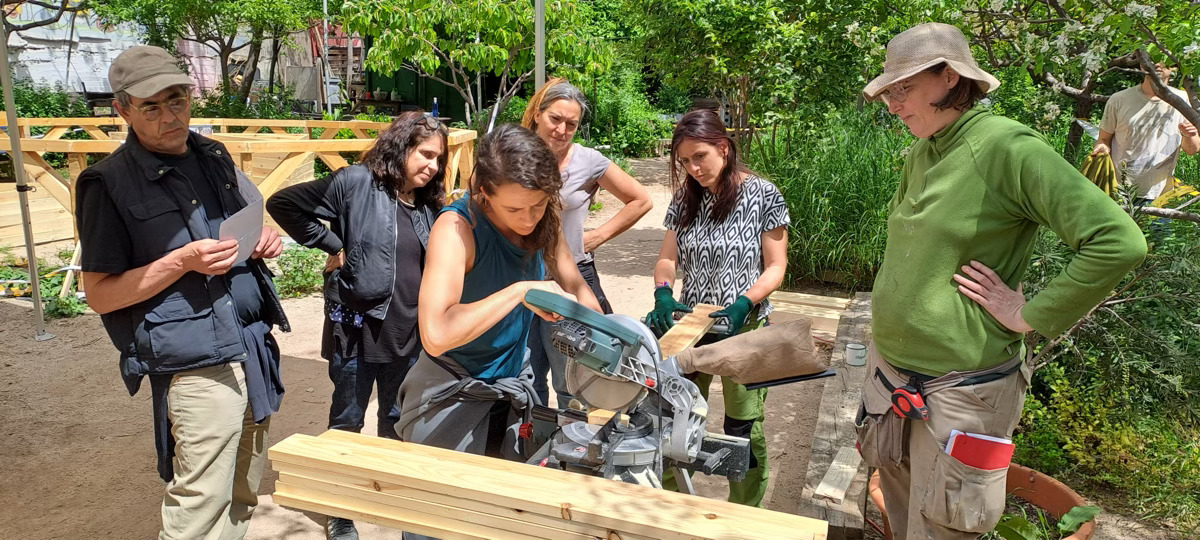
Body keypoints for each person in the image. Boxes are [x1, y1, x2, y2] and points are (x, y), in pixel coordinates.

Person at [858, 23, 1147, 540]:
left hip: (960, 392)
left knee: (943, 528)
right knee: (899, 521)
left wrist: (1029, 313)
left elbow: (1118, 240)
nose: (893, 105)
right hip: (893, 379)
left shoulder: (1008, 147)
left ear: (949, 77)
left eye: (902, 89)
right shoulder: (924, 150)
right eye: (888, 93)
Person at [75, 45, 290, 540]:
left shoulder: (213, 156)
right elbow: (100, 295)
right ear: (122, 109)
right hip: (196, 365)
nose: (170, 116)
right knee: (199, 503)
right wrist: (179, 262)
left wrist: (264, 237)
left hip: (252, 345)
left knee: (241, 493)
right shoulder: (106, 184)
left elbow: (249, 220)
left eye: (178, 100)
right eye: (151, 106)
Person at [396, 123, 602, 540]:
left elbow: (578, 285)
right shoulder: (456, 230)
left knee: (505, 520)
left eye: (539, 206)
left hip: (512, 388)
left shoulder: (544, 221)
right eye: (513, 210)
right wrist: (521, 291)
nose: (528, 220)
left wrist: (599, 327)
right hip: (449, 393)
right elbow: (436, 332)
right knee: (438, 525)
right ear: (484, 193)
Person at [266, 112, 447, 540]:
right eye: (426, 155)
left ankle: (389, 496)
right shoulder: (354, 182)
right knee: (347, 418)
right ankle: (339, 509)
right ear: (402, 147)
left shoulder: (428, 204)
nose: (433, 166)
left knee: (397, 418)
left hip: (409, 330)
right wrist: (334, 243)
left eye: (439, 159)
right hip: (358, 327)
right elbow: (283, 204)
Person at [646, 108, 790, 507]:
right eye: (684, 161)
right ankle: (673, 504)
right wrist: (662, 291)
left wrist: (746, 301)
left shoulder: (764, 194)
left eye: (700, 157)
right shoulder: (686, 200)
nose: (693, 168)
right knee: (677, 415)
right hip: (691, 327)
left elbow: (776, 266)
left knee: (742, 424)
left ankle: (745, 511)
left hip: (743, 330)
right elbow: (667, 259)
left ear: (723, 148)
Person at [520, 78, 653, 406]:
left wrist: (598, 235)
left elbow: (641, 199)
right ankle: (528, 450)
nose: (562, 130)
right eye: (555, 119)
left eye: (571, 124)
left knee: (574, 379)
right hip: (521, 278)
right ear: (538, 113)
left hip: (570, 277)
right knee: (524, 379)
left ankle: (573, 450)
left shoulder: (588, 161)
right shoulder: (515, 154)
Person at [1092, 61, 1200, 204]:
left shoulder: (1183, 100)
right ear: (1142, 65)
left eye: (1164, 60)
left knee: (1157, 227)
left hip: (1160, 196)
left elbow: (1192, 149)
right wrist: (1101, 149)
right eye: (1152, 59)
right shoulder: (1119, 99)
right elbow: (1104, 139)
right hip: (1120, 192)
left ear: (1174, 67)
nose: (1158, 65)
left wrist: (1188, 135)